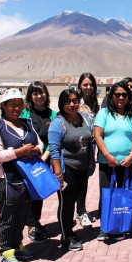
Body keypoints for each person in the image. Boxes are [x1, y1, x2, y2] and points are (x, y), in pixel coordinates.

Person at [0, 88, 43, 262]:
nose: (16, 108)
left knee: (22, 215)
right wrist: (19, 152)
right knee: (7, 217)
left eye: (19, 105)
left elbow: (40, 143)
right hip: (7, 180)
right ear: (3, 106)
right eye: (12, 105)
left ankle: (17, 245)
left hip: (27, 179)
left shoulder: (27, 124)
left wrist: (36, 149)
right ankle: (6, 251)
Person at [93, 81, 132, 241]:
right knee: (106, 193)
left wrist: (131, 157)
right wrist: (107, 155)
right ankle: (105, 227)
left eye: (124, 95)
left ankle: (121, 225)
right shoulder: (104, 113)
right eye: (117, 95)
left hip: (128, 163)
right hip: (107, 162)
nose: (121, 97)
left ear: (129, 97)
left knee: (123, 193)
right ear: (111, 96)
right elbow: (98, 135)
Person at [48, 89, 95, 251]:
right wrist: (58, 173)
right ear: (61, 104)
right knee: (66, 204)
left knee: (75, 202)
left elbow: (90, 141)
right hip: (67, 170)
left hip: (82, 170)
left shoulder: (84, 119)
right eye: (67, 102)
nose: (72, 104)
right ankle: (66, 237)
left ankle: (69, 232)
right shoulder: (58, 123)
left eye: (75, 101)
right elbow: (54, 150)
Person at [20, 81, 57, 243]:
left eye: (41, 93)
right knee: (28, 193)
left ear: (46, 94)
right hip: (27, 160)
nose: (39, 96)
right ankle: (31, 226)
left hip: (44, 159)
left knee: (39, 192)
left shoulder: (53, 114)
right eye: (35, 94)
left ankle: (35, 221)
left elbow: (54, 138)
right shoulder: (24, 113)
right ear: (30, 97)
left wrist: (44, 156)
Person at [75, 73, 100, 228]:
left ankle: (81, 210)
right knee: (78, 180)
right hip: (78, 146)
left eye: (91, 85)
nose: (88, 87)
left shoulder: (94, 104)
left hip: (91, 146)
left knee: (84, 178)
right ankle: (80, 212)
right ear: (79, 86)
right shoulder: (76, 102)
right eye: (85, 85)